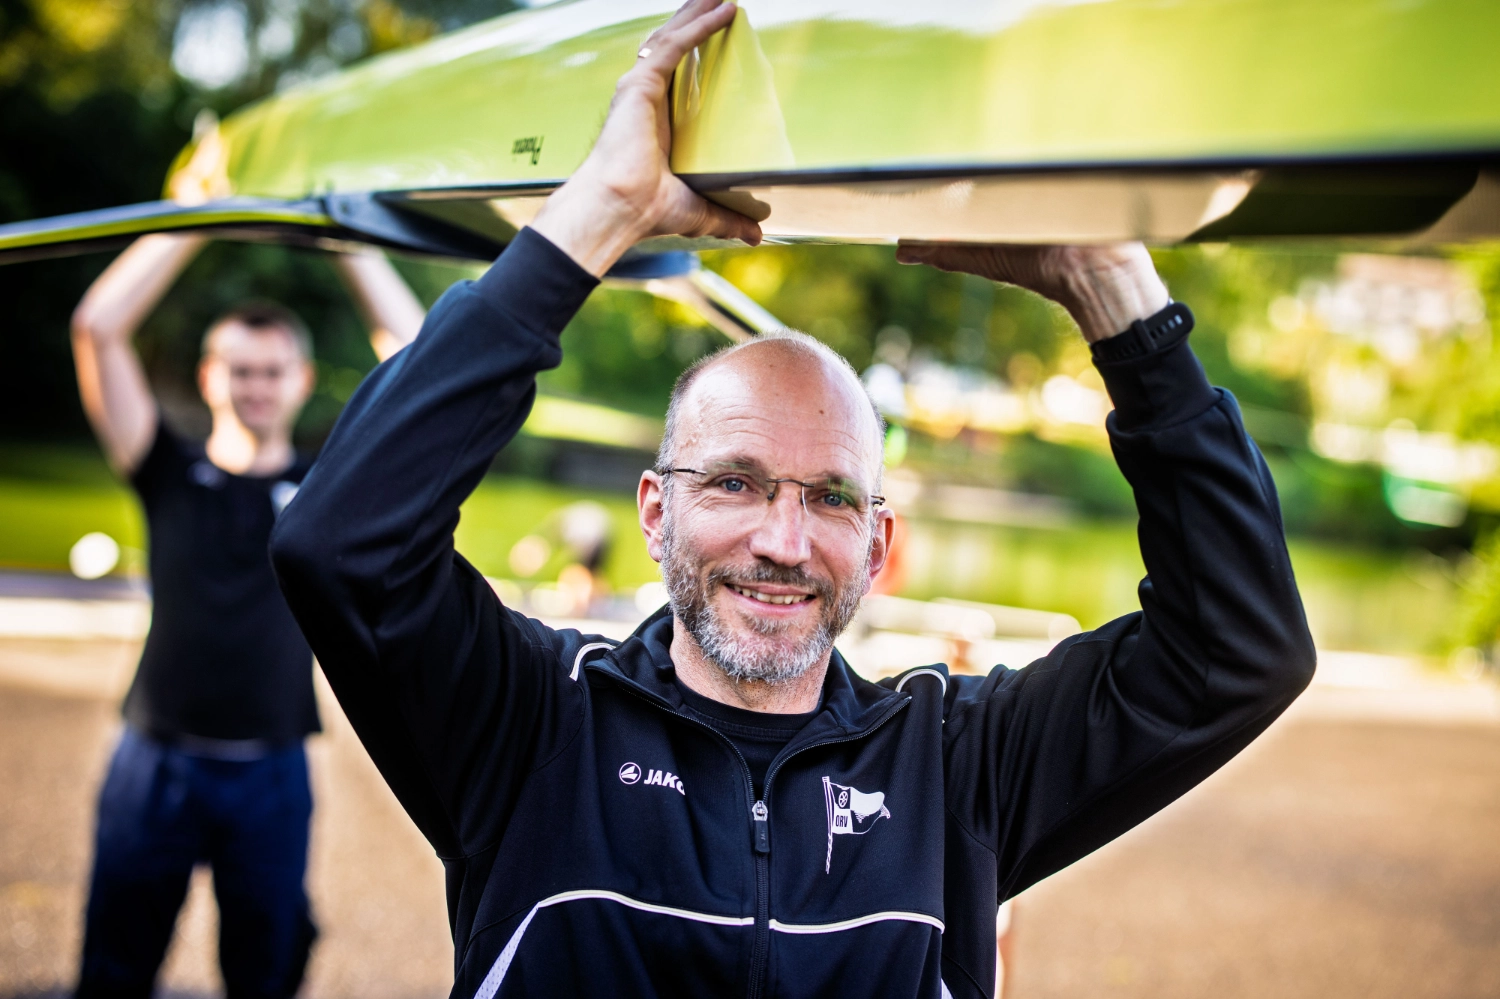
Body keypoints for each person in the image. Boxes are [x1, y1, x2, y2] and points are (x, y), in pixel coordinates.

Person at [269, 1, 1316, 996]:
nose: (782, 539)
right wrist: (595, 216)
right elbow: (341, 542)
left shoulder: (958, 767)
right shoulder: (533, 724)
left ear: (879, 542)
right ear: (654, 511)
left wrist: (1113, 290)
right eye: (735, 482)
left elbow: (1236, 651)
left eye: (830, 498)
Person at [68, 233, 424, 997]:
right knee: (111, 972)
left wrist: (348, 243)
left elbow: (423, 364)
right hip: (154, 763)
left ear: (301, 380)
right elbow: (97, 327)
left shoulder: (324, 486)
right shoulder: (167, 468)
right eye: (239, 369)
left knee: (265, 975)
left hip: (271, 771)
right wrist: (190, 221)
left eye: (272, 370)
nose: (255, 386)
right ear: (209, 377)